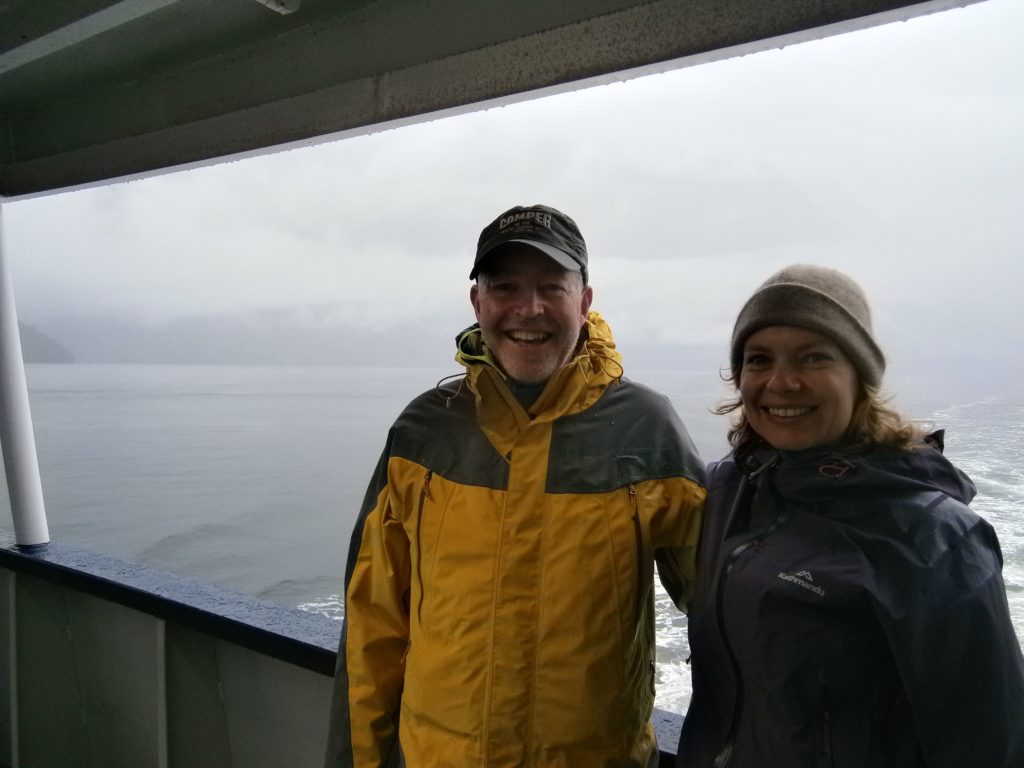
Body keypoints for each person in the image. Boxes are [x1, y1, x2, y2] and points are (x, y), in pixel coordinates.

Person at [324, 204, 707, 768]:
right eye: (505, 287)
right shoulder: (424, 430)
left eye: (552, 286)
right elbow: (371, 622)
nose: (529, 309)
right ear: (478, 302)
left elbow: (727, 605)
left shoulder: (646, 430)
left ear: (585, 301)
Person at [676, 264, 1024, 767]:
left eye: (813, 357)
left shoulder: (934, 539)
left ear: (860, 376)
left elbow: (988, 740)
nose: (782, 381)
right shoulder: (729, 491)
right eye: (759, 359)